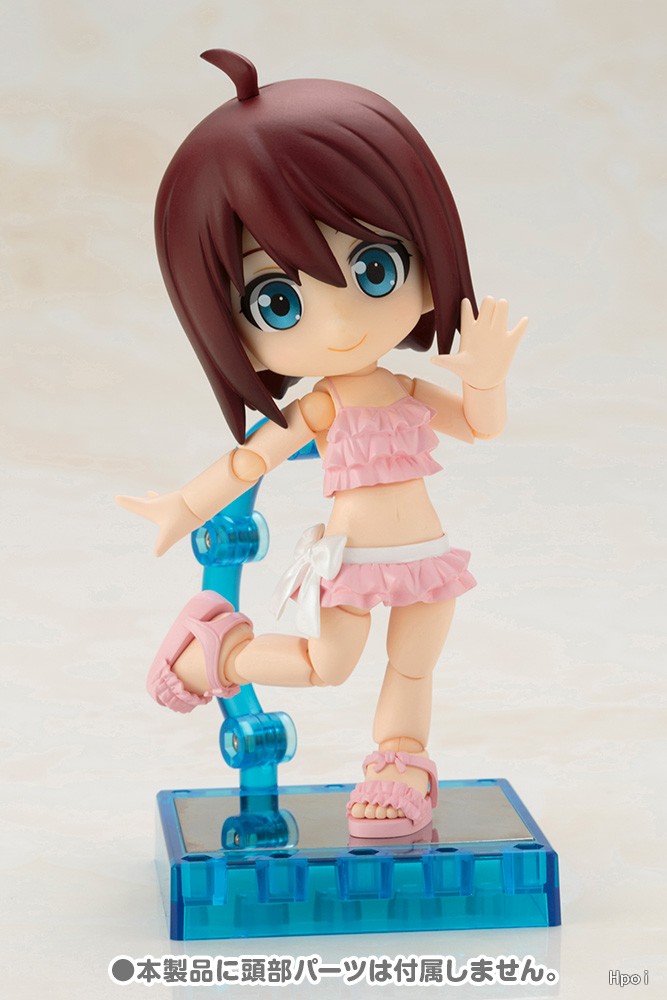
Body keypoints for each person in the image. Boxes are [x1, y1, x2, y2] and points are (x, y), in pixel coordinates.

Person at [118, 49, 527, 838]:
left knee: (414, 664)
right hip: (355, 559)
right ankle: (212, 656)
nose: (339, 323)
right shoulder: (324, 403)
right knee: (326, 664)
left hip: (427, 553)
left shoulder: (403, 390)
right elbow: (254, 458)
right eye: (277, 299)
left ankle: (399, 766)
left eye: (373, 267)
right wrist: (185, 505)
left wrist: (485, 378)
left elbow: (481, 425)